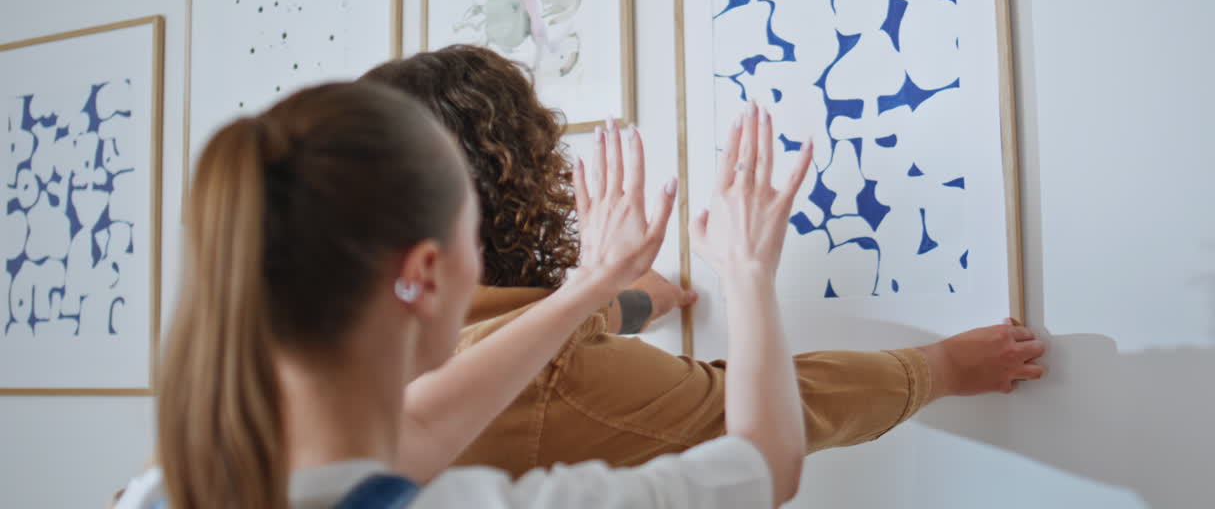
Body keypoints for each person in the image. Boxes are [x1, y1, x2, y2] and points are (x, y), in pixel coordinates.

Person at [361, 46, 1047, 478]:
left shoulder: (351, 352)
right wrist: (945, 367)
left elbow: (510, 336)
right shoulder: (549, 381)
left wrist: (626, 299)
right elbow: (761, 436)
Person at [120, 81, 811, 508]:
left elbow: (418, 428)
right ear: (422, 273)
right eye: (469, 238)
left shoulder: (163, 488)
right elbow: (767, 466)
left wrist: (591, 288)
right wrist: (748, 271)